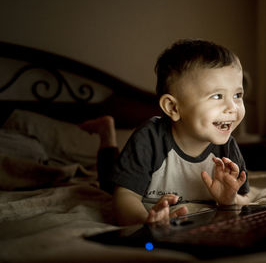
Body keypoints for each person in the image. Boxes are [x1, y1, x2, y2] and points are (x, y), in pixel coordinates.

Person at [84, 39, 251, 226]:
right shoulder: (150, 138)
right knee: (108, 183)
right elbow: (125, 196)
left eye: (238, 95)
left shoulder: (227, 147)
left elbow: (245, 198)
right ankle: (107, 133)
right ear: (173, 107)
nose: (232, 107)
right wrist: (144, 222)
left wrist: (231, 200)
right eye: (217, 96)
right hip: (121, 177)